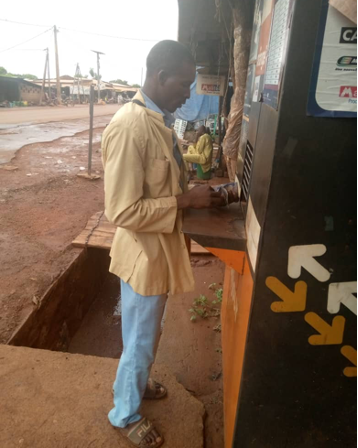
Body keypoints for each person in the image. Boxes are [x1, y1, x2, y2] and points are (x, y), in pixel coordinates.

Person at [102, 40, 226, 448]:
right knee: (139, 338)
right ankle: (125, 413)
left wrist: (190, 189)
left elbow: (162, 183)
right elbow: (121, 211)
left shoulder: (159, 119)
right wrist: (184, 200)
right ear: (159, 77)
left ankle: (137, 383)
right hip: (143, 256)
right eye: (184, 83)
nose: (188, 93)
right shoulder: (128, 126)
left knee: (146, 335)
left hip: (157, 254)